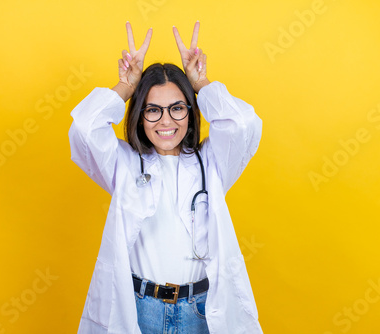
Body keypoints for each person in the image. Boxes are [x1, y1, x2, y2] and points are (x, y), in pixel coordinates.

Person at [69, 21, 264, 334]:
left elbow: (243, 124)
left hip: (201, 311)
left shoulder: (211, 163)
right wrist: (126, 87)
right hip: (139, 309)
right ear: (140, 115)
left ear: (190, 110)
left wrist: (201, 83)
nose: (166, 121)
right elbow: (84, 129)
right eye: (153, 110)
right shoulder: (125, 164)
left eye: (176, 108)